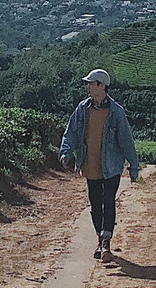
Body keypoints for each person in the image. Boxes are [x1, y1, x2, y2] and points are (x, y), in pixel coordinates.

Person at [59, 68, 140, 262]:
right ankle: (99, 239)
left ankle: (106, 243)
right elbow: (71, 132)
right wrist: (65, 152)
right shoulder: (82, 109)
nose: (88, 87)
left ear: (102, 86)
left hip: (111, 167)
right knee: (95, 205)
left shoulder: (116, 112)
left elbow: (126, 140)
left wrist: (133, 165)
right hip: (90, 165)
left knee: (108, 201)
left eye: (91, 83)